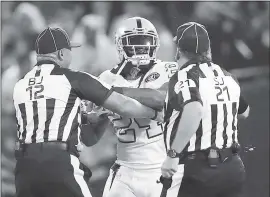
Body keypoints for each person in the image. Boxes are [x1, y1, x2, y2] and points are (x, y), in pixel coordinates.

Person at [13, 26, 162, 197]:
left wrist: (84, 117)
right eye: (70, 50)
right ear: (61, 54)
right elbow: (122, 105)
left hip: (24, 168)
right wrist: (153, 114)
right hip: (58, 162)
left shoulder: (20, 85)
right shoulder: (72, 77)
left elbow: (45, 119)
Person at [81, 17, 179, 197]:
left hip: (161, 168)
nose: (141, 48)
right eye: (135, 42)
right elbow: (90, 139)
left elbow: (160, 99)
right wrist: (83, 118)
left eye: (146, 42)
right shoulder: (107, 78)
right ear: (120, 45)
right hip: (125, 170)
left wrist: (109, 94)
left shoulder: (167, 69)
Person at [159, 22, 250, 197]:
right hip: (232, 167)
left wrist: (173, 154)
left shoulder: (184, 76)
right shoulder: (227, 75)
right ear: (207, 49)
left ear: (179, 49)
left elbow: (194, 109)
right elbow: (244, 112)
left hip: (197, 170)